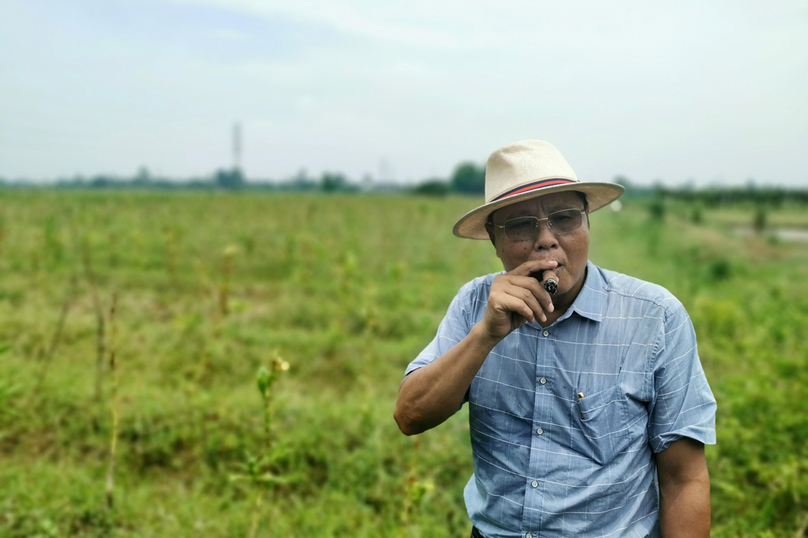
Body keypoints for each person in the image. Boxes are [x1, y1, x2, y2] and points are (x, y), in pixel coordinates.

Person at [394, 140, 716, 538]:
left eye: (564, 218)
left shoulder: (654, 317)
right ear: (494, 242)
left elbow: (684, 480)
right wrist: (484, 337)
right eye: (521, 225)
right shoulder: (475, 304)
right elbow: (410, 416)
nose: (546, 240)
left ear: (587, 225)